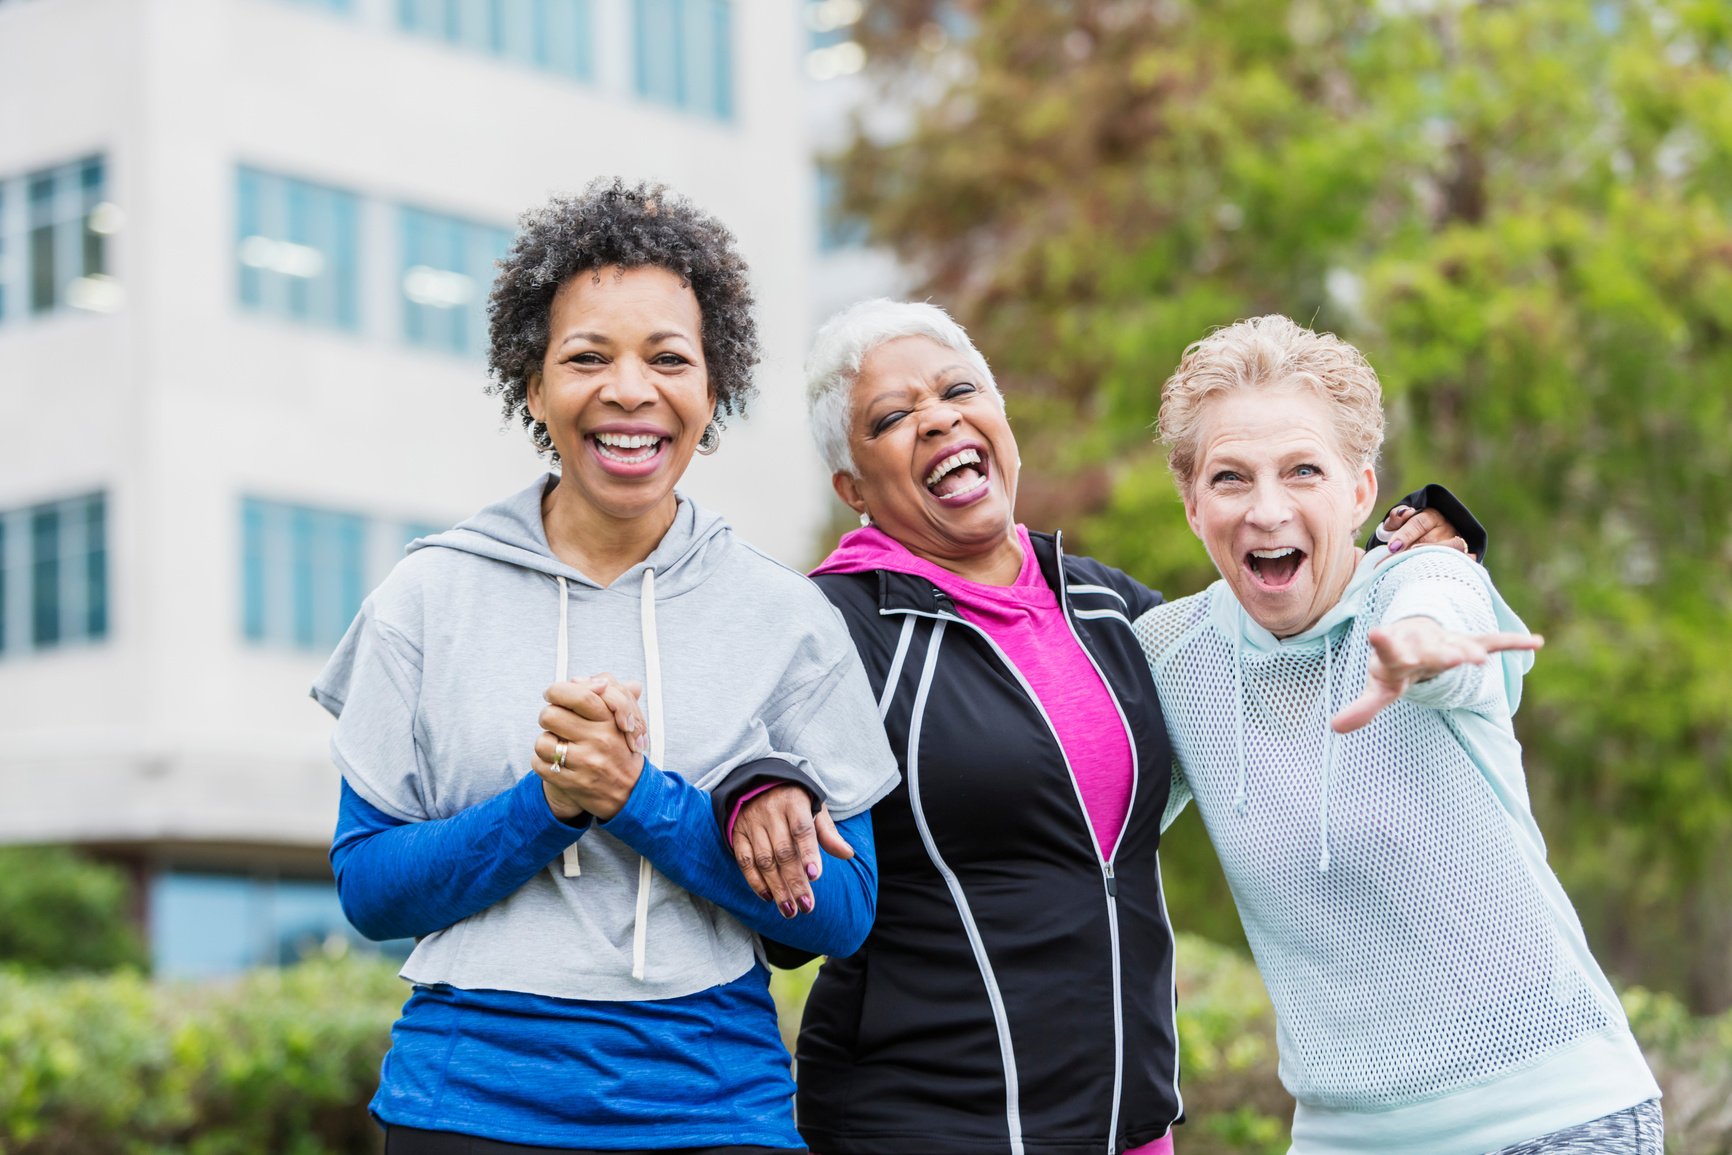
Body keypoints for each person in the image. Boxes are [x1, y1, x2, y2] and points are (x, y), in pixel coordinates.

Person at [725, 299, 1475, 1155]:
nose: (936, 418)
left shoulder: (1111, 608)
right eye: (891, 418)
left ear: (1002, 424)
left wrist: (1417, 551)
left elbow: (1286, 643)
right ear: (854, 489)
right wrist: (757, 780)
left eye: (958, 389)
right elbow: (751, 749)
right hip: (923, 1125)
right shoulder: (832, 624)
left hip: (1128, 1125)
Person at [311, 179, 899, 1155]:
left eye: (668, 358)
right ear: (533, 385)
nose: (630, 389)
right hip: (466, 1107)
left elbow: (841, 914)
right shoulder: (427, 596)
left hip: (714, 1109)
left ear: (713, 389)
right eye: (587, 358)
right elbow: (370, 889)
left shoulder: (788, 619)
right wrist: (548, 805)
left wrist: (641, 799)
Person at [1131, 315, 1662, 1154]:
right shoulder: (1170, 654)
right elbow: (1083, 822)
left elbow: (1439, 615)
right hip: (1343, 1137)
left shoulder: (1423, 576)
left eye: (1303, 470)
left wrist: (1424, 648)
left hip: (1556, 1117)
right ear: (1193, 503)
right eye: (1232, 478)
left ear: (1359, 491)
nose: (1268, 509)